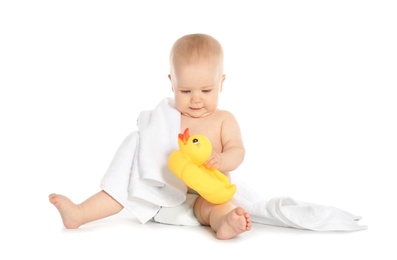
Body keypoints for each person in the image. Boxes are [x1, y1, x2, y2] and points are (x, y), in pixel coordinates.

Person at [49, 33, 252, 240]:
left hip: (207, 194)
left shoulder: (224, 120)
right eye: (185, 91)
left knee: (221, 207)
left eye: (206, 90)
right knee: (124, 188)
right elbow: (149, 151)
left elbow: (237, 150)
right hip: (165, 192)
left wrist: (222, 160)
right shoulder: (165, 119)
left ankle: (226, 224)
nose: (196, 99)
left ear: (221, 83)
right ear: (172, 83)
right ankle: (80, 213)